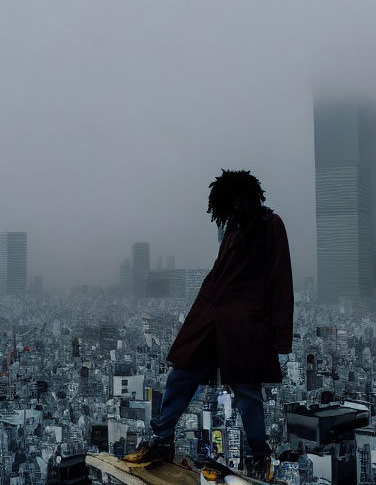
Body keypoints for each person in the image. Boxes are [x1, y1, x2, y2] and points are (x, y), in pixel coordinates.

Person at [123, 169, 294, 478]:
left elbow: (281, 279)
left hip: (245, 324)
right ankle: (162, 441)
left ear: (253, 197)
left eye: (241, 200)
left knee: (247, 392)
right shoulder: (232, 229)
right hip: (211, 321)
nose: (237, 208)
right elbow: (218, 277)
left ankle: (259, 457)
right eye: (232, 203)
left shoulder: (271, 226)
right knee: (180, 377)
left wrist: (281, 336)